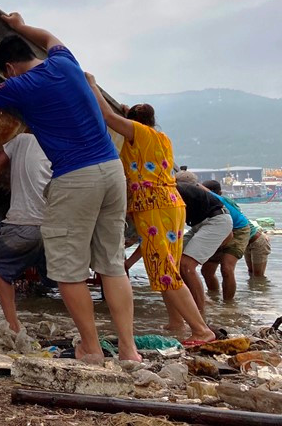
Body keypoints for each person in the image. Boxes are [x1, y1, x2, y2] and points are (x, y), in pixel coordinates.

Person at [0, 12, 140, 363]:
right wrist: (20, 25)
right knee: (111, 264)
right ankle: (129, 351)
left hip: (76, 177)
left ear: (9, 68)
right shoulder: (65, 61)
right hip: (112, 170)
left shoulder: (23, 85)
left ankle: (92, 350)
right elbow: (49, 36)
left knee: (67, 269)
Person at [85, 84, 215, 344]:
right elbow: (124, 117)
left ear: (134, 123)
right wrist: (127, 111)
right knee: (168, 269)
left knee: (165, 272)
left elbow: (110, 118)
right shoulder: (160, 137)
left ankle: (201, 330)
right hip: (171, 205)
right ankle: (176, 322)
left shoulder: (139, 134)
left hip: (155, 208)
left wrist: (91, 85)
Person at [0, 133, 52, 333]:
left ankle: (13, 325)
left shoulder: (22, 140)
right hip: (55, 228)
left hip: (21, 226)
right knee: (65, 280)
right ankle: (87, 333)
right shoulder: (62, 138)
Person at [173, 172, 233, 315]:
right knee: (175, 262)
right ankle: (196, 302)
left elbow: (230, 219)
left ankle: (200, 314)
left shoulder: (174, 191)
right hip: (200, 224)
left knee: (187, 265)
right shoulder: (186, 191)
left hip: (216, 221)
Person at [200, 180, 251, 300]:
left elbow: (230, 232)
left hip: (238, 229)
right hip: (216, 228)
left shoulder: (212, 198)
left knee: (226, 268)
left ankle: (228, 304)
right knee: (207, 270)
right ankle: (214, 298)